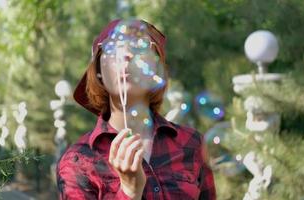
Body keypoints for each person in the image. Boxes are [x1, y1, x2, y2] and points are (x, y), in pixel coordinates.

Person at [56, 18, 216, 200]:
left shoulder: (192, 144)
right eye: (112, 47)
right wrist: (129, 192)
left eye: (138, 46)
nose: (125, 54)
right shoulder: (78, 161)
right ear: (98, 72)